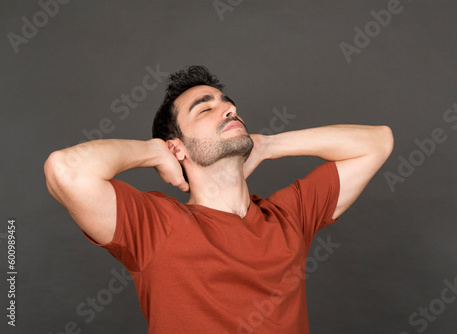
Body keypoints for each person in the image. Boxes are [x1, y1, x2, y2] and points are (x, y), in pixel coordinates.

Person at [44, 65, 393, 333]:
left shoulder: (288, 217)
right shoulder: (156, 226)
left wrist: (270, 145)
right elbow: (65, 171)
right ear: (176, 147)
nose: (228, 109)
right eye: (204, 108)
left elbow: (378, 142)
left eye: (227, 103)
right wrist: (153, 152)